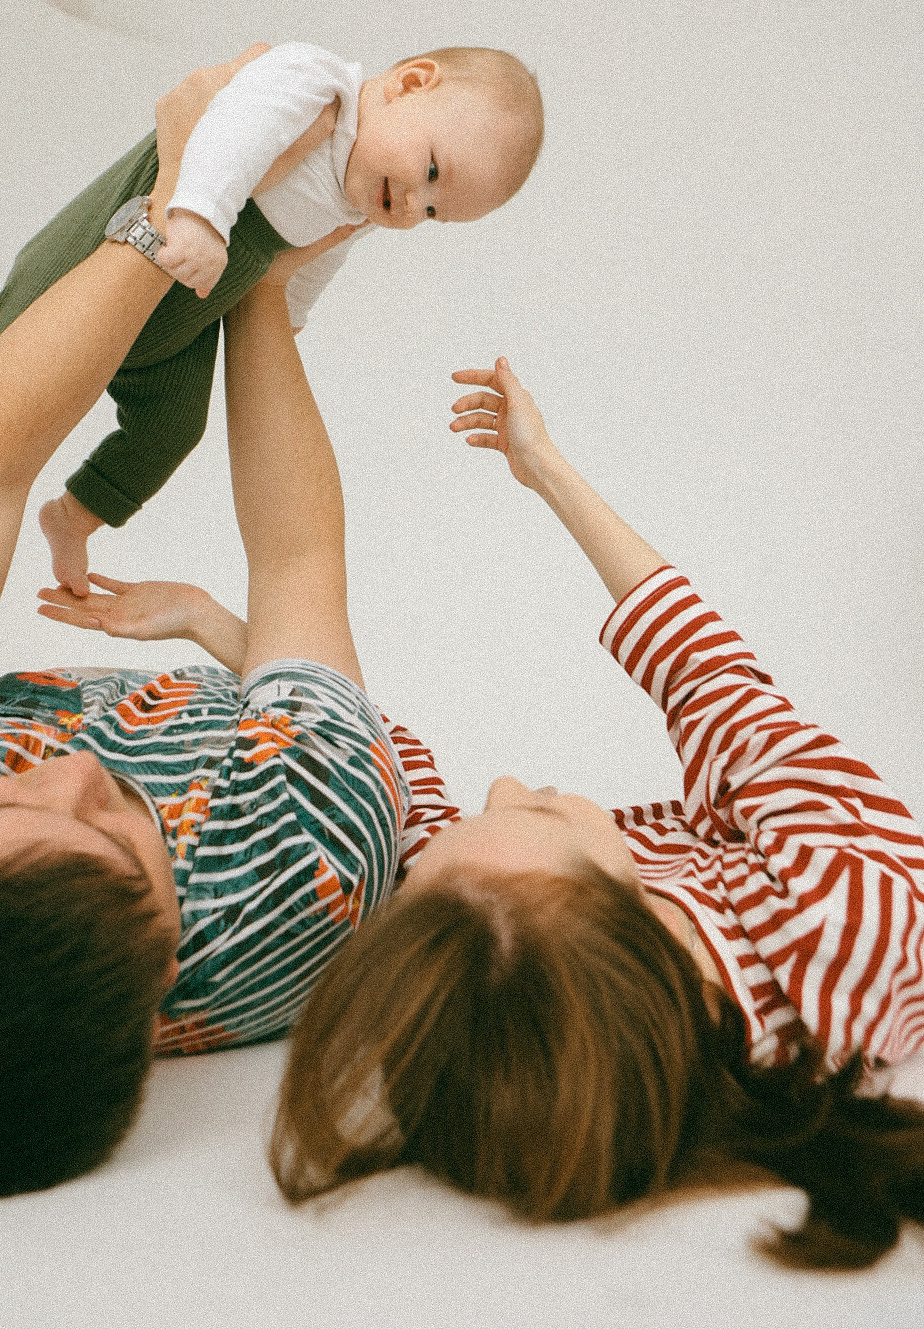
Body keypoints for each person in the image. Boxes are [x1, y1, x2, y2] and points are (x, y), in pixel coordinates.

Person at [0, 52, 453, 1205]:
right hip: (267, 738)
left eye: (4, 800)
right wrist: (260, 280)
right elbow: (297, 561)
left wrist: (170, 205)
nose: (72, 771)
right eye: (115, 836)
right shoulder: (300, 857)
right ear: (167, 959)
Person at [269, 358, 924, 1271]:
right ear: (628, 917)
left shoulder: (478, 969)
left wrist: (251, 647)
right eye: (540, 813)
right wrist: (550, 470)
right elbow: (719, 690)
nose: (503, 784)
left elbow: (395, 784)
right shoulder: (849, 920)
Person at [0, 40, 544, 596]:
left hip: (177, 323)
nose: (412, 204)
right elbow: (227, 132)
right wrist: (200, 218)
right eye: (431, 171)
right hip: (115, 242)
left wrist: (288, 323)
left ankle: (75, 513)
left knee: (174, 429)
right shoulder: (317, 86)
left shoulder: (358, 203)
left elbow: (307, 267)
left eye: (434, 212)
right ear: (409, 83)